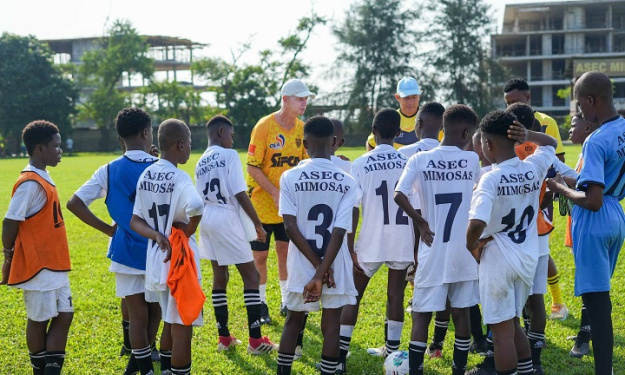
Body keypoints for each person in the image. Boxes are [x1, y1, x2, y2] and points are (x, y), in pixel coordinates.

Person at [66, 108, 162, 375]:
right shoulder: (162, 168)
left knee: (137, 316)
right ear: (146, 133)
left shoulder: (108, 170)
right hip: (157, 251)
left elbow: (74, 203)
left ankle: (141, 368)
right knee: (155, 311)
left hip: (126, 251)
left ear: (121, 137)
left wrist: (108, 229)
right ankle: (141, 366)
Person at [546, 71, 625, 375]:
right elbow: (602, 182)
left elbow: (591, 199)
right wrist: (571, 179)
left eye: (580, 104)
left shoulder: (595, 140)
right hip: (616, 213)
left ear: (591, 100)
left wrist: (561, 189)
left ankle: (604, 370)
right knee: (599, 298)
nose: (579, 111)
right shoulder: (621, 129)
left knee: (598, 305)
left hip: (595, 219)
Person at [467, 110, 557, 375]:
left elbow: (476, 224)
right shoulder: (533, 167)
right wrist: (529, 135)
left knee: (502, 333)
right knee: (514, 324)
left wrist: (472, 246)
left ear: (488, 144)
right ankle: (527, 370)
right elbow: (550, 144)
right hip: (526, 258)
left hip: (498, 259)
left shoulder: (490, 179)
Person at [394, 104, 481, 375]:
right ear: (467, 132)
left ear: (443, 128)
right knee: (461, 312)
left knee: (421, 314)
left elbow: (399, 194)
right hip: (464, 250)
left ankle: (416, 370)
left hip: (432, 248)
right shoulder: (472, 160)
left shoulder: (420, 159)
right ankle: (459, 369)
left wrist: (420, 222)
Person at [275, 115, 358, 375]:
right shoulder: (348, 181)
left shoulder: (289, 177)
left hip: (302, 261)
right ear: (334, 142)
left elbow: (289, 226)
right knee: (331, 321)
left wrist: (315, 268)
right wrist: (323, 271)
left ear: (304, 143)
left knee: (294, 319)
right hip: (335, 262)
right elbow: (339, 230)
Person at [194, 115, 278, 355]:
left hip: (207, 217)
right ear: (221, 132)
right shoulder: (229, 155)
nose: (233, 140)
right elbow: (240, 192)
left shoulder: (200, 161)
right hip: (227, 216)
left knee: (220, 277)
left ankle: (224, 337)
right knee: (251, 276)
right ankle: (255, 342)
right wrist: (258, 225)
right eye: (231, 135)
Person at [338, 108, 414, 371]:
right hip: (402, 239)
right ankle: (392, 351)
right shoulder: (408, 161)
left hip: (371, 240)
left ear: (373, 132)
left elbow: (353, 209)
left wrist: (350, 248)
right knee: (395, 296)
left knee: (353, 296)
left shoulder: (359, 163)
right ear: (398, 133)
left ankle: (340, 352)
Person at [131, 119, 204, 375]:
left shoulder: (147, 174)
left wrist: (157, 235)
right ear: (181, 144)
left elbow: (135, 220)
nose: (190, 149)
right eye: (190, 144)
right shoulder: (180, 176)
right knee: (182, 326)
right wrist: (190, 228)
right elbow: (197, 206)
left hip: (156, 257)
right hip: (180, 259)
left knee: (169, 321)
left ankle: (165, 370)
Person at [1, 120, 73, 375]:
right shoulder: (29, 182)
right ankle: (39, 369)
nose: (60, 150)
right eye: (56, 146)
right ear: (40, 149)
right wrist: (7, 254)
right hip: (38, 264)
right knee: (39, 318)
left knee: (65, 314)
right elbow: (10, 220)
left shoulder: (44, 176)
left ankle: (49, 370)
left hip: (55, 262)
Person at [246, 78, 313, 323]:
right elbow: (252, 167)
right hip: (262, 205)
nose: (304, 102)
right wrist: (275, 193)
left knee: (285, 253)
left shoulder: (302, 129)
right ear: (285, 100)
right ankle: (261, 304)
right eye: (300, 98)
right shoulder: (264, 126)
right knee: (260, 257)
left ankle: (286, 301)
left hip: (288, 207)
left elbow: (307, 163)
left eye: (306, 98)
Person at [503, 77, 568, 320]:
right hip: (514, 199)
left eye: (516, 101)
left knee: (542, 253)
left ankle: (556, 302)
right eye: (508, 102)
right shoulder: (505, 123)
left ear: (528, 99)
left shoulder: (546, 122)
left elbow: (556, 161)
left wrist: (545, 197)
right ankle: (525, 309)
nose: (511, 108)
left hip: (541, 200)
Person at [560, 113, 600, 359]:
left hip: (590, 225)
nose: (569, 131)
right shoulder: (585, 154)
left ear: (587, 126)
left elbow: (589, 193)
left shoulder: (593, 153)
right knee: (586, 280)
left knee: (591, 282)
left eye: (573, 126)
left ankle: (586, 336)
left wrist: (561, 187)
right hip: (579, 224)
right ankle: (587, 329)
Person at [366, 77, 420, 151]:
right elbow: (371, 144)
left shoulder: (429, 118)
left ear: (419, 97)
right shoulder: (389, 119)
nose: (410, 102)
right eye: (406, 98)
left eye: (414, 97)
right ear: (397, 97)